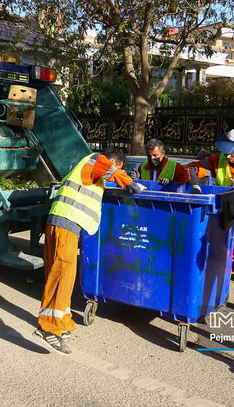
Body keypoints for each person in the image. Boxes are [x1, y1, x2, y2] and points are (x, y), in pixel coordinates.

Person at [35, 147, 146, 354]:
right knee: (62, 275)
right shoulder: (96, 160)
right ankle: (48, 327)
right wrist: (131, 184)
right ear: (116, 163)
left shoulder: (87, 168)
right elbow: (111, 171)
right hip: (66, 223)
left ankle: (63, 322)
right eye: (119, 168)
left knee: (59, 274)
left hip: (60, 222)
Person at [186, 129, 234, 312]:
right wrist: (195, 184)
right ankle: (219, 300)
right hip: (227, 212)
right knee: (224, 258)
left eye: (232, 152)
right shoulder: (217, 160)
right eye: (225, 151)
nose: (228, 155)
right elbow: (192, 167)